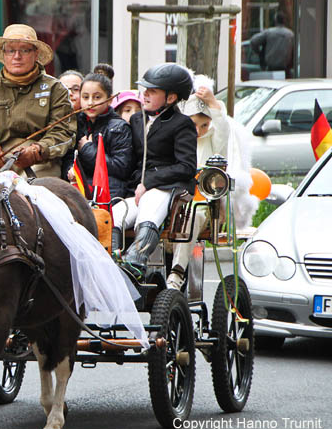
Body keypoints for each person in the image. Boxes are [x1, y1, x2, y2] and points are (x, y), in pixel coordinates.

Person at [167, 75, 259, 289]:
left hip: (203, 206)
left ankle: (177, 271)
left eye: (204, 125)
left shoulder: (214, 140)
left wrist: (212, 103)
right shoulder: (177, 140)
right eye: (192, 124)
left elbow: (222, 127)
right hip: (173, 201)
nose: (198, 131)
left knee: (192, 214)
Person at [110, 63, 197, 278]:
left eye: (153, 91)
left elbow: (186, 167)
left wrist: (148, 182)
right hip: (138, 192)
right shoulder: (137, 119)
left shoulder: (182, 124)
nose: (145, 94)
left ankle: (136, 261)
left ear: (170, 98)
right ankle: (111, 259)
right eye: (144, 89)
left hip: (169, 190)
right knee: (116, 212)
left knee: (150, 202)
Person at [0, 24, 75, 178]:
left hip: (42, 165)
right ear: (3, 54)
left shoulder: (55, 89)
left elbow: (64, 132)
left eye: (24, 50)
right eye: (11, 50)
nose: (17, 56)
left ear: (36, 53)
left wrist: (38, 150)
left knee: (42, 197)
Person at [68, 71, 133, 201]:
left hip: (109, 191)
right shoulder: (76, 123)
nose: (90, 103)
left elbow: (121, 167)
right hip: (80, 188)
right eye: (85, 97)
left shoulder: (118, 128)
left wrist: (88, 149)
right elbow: (69, 156)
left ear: (109, 100)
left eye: (97, 97)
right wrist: (70, 169)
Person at [250, 12, 295, 77]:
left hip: (271, 69)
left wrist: (258, 52)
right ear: (284, 21)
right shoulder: (290, 34)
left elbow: (253, 41)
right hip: (286, 69)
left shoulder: (269, 32)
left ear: (275, 21)